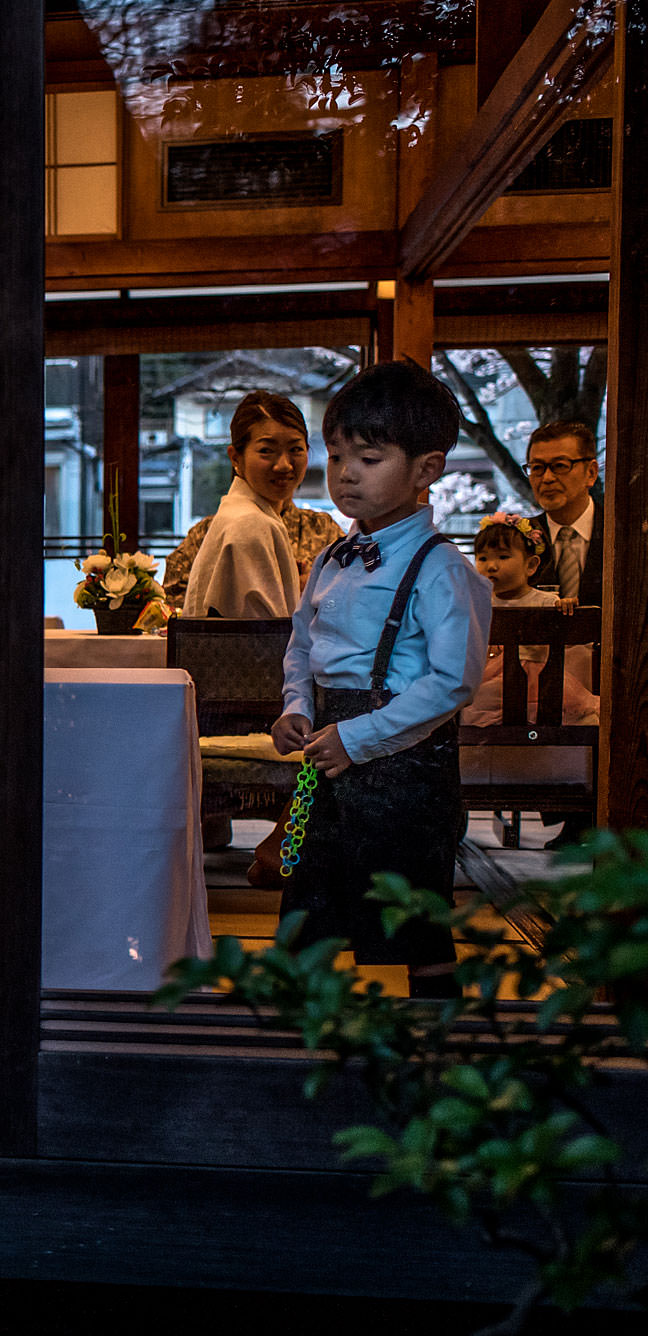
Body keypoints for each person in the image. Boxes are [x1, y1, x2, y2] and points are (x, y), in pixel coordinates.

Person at [272, 361, 487, 997]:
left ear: (426, 469)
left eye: (368, 457)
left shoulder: (443, 569)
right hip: (327, 750)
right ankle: (287, 1042)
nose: (345, 474)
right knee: (309, 895)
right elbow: (302, 645)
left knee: (413, 913)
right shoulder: (331, 559)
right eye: (338, 456)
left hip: (406, 766)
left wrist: (358, 737)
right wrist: (295, 704)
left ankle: (435, 1044)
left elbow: (452, 682)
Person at [161, 409, 343, 606]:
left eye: (295, 450)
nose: (284, 465)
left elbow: (353, 599)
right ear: (236, 458)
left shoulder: (324, 531)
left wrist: (313, 587)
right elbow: (174, 607)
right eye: (266, 450)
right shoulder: (207, 535)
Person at [466, 510, 595, 727]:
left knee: (569, 705)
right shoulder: (478, 603)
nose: (491, 566)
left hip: (542, 676)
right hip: (494, 678)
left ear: (531, 565)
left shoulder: (544, 601)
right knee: (480, 696)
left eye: (503, 557)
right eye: (483, 558)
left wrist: (564, 606)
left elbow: (565, 619)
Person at [523, 417, 602, 608]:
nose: (547, 478)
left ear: (590, 473)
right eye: (537, 468)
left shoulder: (622, 534)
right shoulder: (519, 537)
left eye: (560, 466)